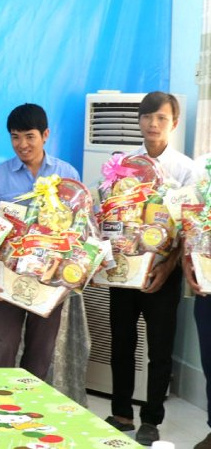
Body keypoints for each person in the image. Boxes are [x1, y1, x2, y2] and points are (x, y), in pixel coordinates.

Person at [105, 92, 197, 445]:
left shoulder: (186, 169)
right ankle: (121, 412)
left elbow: (191, 229)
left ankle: (152, 419)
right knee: (121, 343)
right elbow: (112, 216)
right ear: (139, 121)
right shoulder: (123, 165)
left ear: (173, 123)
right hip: (125, 270)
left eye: (161, 118)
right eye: (147, 117)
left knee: (160, 349)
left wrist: (168, 265)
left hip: (164, 272)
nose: (153, 124)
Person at [0, 104, 79, 381]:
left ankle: (27, 412)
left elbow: (79, 229)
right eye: (15, 137)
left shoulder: (67, 175)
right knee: (2, 347)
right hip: (7, 276)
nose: (22, 144)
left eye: (29, 136)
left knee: (41, 351)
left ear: (45, 134)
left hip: (50, 278)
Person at [183, 152, 211, 449]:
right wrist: (189, 265)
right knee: (210, 359)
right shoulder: (203, 168)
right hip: (208, 283)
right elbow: (190, 225)